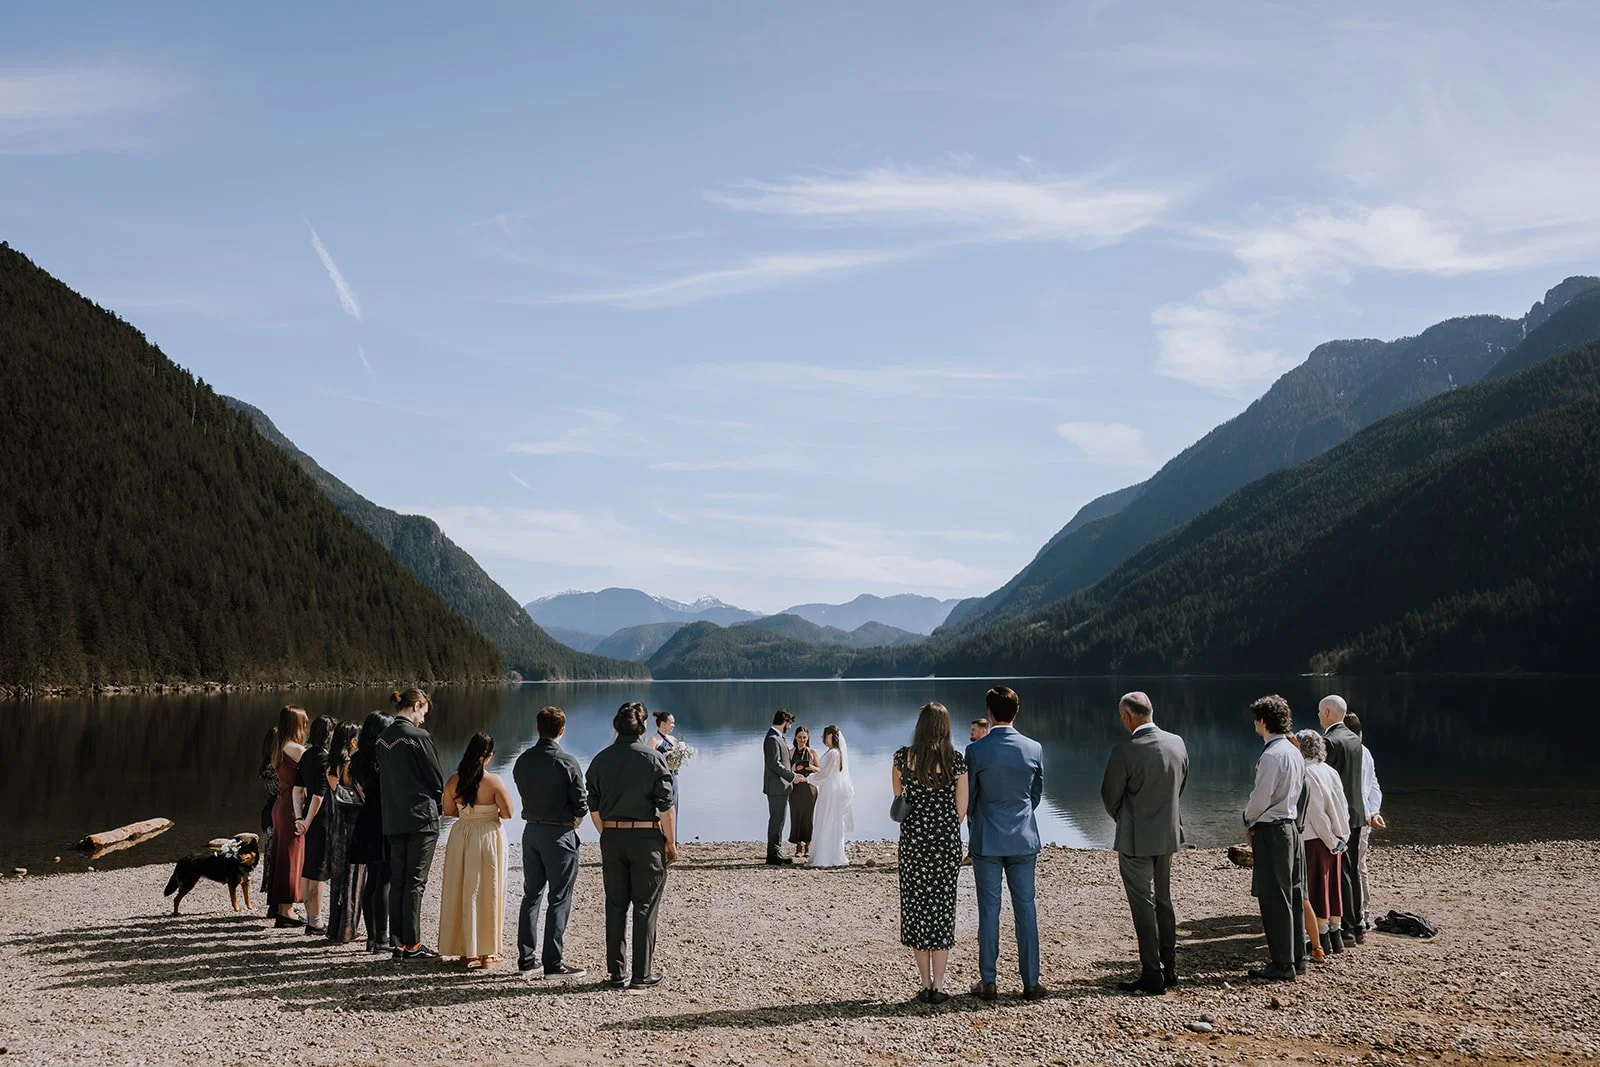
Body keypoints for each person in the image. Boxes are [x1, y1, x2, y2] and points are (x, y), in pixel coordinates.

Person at [1100, 691, 1189, 995]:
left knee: (1143, 905)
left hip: (1135, 838)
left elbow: (1109, 797)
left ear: (1127, 716)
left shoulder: (1126, 751)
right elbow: (1180, 785)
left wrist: (1125, 819)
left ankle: (1152, 974)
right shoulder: (1177, 743)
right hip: (1167, 834)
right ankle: (1170, 967)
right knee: (1164, 900)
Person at [586, 701, 678, 989]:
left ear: (616, 726)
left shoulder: (600, 759)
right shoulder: (653, 759)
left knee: (615, 904)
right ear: (643, 728)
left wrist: (608, 832)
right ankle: (641, 974)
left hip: (612, 838)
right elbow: (666, 806)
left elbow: (594, 806)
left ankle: (616, 973)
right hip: (645, 839)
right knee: (645, 905)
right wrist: (671, 843)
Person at [965, 686, 1045, 1002]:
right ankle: (1031, 982)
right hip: (1024, 837)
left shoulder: (976, 751)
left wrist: (981, 819)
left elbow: (969, 799)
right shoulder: (1034, 748)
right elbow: (1036, 793)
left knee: (989, 910)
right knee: (1026, 908)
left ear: (990, 712)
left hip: (987, 838)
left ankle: (989, 981)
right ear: (1016, 711)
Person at [892, 702, 969, 1004]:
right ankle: (938, 984)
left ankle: (923, 984)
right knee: (941, 911)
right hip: (944, 843)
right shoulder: (957, 761)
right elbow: (961, 810)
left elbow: (898, 798)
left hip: (912, 844)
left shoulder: (902, 757)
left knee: (916, 910)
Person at [513, 706, 589, 980]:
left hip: (530, 832)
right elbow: (581, 803)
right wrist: (576, 821)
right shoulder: (568, 762)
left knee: (531, 895)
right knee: (559, 897)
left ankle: (526, 959)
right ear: (562, 731)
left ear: (537, 729)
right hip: (559, 835)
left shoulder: (522, 760)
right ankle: (553, 963)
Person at [377, 687, 445, 961]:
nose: (424, 719)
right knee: (415, 882)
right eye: (424, 712)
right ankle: (413, 944)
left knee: (399, 881)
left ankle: (398, 943)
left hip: (393, 817)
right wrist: (440, 805)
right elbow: (436, 779)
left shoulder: (382, 739)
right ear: (416, 705)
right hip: (421, 818)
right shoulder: (418, 737)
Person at [1243, 695, 1306, 982]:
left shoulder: (1270, 755)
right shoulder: (1293, 751)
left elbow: (1260, 799)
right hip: (1291, 827)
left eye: (1256, 719)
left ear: (1263, 721)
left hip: (1273, 830)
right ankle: (1296, 957)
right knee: (1292, 894)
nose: (1255, 724)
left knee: (1273, 897)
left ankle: (1281, 963)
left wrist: (1247, 819)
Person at [439, 732, 512, 969]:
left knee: (462, 889)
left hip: (462, 835)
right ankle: (487, 953)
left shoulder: (453, 780)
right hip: (488, 837)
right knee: (488, 891)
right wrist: (489, 814)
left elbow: (448, 811)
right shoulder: (494, 782)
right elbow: (509, 813)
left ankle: (465, 950)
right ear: (488, 757)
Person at [1294, 729, 1350, 959]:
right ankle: (1336, 937)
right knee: (1332, 887)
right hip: (1334, 838)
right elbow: (1342, 805)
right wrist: (1341, 838)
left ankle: (1323, 939)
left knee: (1316, 889)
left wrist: (1329, 840)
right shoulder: (1330, 771)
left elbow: (1316, 812)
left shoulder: (1306, 773)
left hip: (1315, 839)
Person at [1318, 695, 1367, 944]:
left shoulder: (1330, 741)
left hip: (1340, 814)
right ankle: (1358, 924)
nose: (1318, 717)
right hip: (1357, 812)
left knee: (1343, 871)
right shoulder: (1354, 740)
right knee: (1354, 870)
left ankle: (1346, 928)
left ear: (1327, 713)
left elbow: (1323, 779)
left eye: (1319, 712)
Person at [349, 711, 393, 953]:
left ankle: (372, 937)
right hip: (383, 818)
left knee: (371, 879)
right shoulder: (383, 758)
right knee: (384, 879)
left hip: (366, 818)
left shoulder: (357, 760)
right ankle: (382, 939)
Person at [267, 705, 310, 928]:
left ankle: (284, 908)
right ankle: (285, 911)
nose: (307, 724)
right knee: (291, 858)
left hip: (280, 805)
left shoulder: (279, 747)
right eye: (304, 722)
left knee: (283, 856)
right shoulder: (298, 750)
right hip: (291, 808)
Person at [1345, 711, 1386, 934]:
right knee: (1359, 866)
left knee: (1356, 867)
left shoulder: (1353, 752)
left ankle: (1360, 915)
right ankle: (1362, 913)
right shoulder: (1365, 752)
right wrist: (1373, 811)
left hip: (1355, 819)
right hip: (1364, 817)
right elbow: (1374, 786)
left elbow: (1371, 785)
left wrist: (1371, 812)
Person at [324, 721, 364, 944]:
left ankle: (335, 927)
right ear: (352, 741)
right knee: (354, 876)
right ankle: (349, 929)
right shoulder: (350, 765)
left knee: (338, 877)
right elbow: (360, 794)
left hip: (337, 823)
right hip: (353, 823)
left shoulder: (332, 764)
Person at [297, 714, 335, 935]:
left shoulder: (307, 755)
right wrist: (308, 821)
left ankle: (311, 918)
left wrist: (298, 818)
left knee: (308, 867)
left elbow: (297, 789)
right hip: (320, 817)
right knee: (319, 870)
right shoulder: (325, 759)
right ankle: (316, 920)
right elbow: (319, 796)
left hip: (306, 814)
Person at [808, 725, 855, 868]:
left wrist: (809, 778)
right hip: (835, 789)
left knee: (826, 818)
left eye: (824, 735)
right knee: (834, 820)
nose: (823, 738)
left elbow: (823, 774)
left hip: (829, 790)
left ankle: (825, 856)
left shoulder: (833, 753)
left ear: (829, 735)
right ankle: (834, 853)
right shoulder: (837, 753)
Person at [762, 709, 802, 864]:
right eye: (790, 724)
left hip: (780, 786)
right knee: (776, 820)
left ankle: (775, 852)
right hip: (776, 787)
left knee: (779, 820)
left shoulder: (778, 737)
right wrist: (792, 776)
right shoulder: (772, 738)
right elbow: (774, 764)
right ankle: (773, 855)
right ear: (785, 721)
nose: (790, 727)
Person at [788, 727, 820, 860]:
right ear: (795, 737)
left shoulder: (812, 752)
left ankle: (808, 845)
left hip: (809, 789)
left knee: (808, 817)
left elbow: (820, 770)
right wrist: (794, 768)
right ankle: (798, 846)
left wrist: (810, 767)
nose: (802, 740)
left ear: (808, 738)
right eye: (800, 737)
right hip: (795, 789)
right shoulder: (790, 752)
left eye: (804, 737)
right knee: (795, 816)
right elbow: (785, 770)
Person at [257, 726, 280, 898]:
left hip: (269, 812)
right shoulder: (273, 768)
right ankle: (275, 896)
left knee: (271, 855)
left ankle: (273, 894)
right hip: (275, 813)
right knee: (274, 855)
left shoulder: (266, 765)